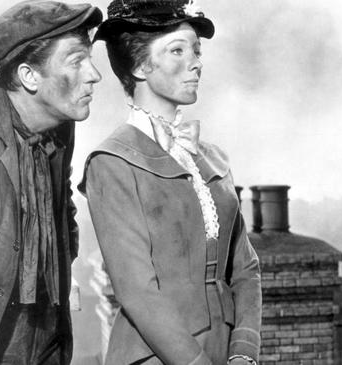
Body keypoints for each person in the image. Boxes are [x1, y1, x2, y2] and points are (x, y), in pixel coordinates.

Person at [78, 1, 262, 364]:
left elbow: (245, 268)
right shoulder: (112, 162)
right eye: (177, 50)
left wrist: (244, 349)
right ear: (140, 66)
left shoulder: (212, 158)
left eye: (197, 50)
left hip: (228, 353)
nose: (196, 63)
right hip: (155, 356)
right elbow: (137, 291)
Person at [0, 1, 102, 363]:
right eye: (76, 61)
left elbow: (61, 209)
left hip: (45, 344)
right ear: (29, 76)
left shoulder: (60, 124)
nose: (94, 74)